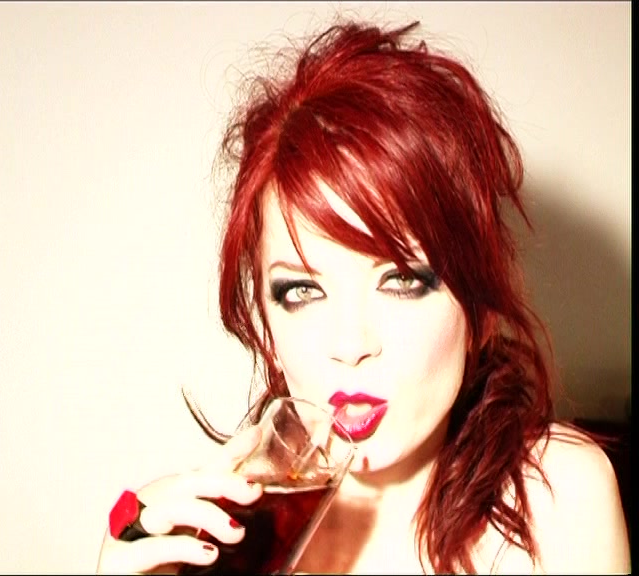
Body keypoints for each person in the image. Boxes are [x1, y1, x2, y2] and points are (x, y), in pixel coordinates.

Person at [96, 19, 630, 574]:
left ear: (478, 307)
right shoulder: (201, 538)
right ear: (267, 325)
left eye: (401, 280)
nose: (350, 344)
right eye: (302, 290)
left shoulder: (557, 499)